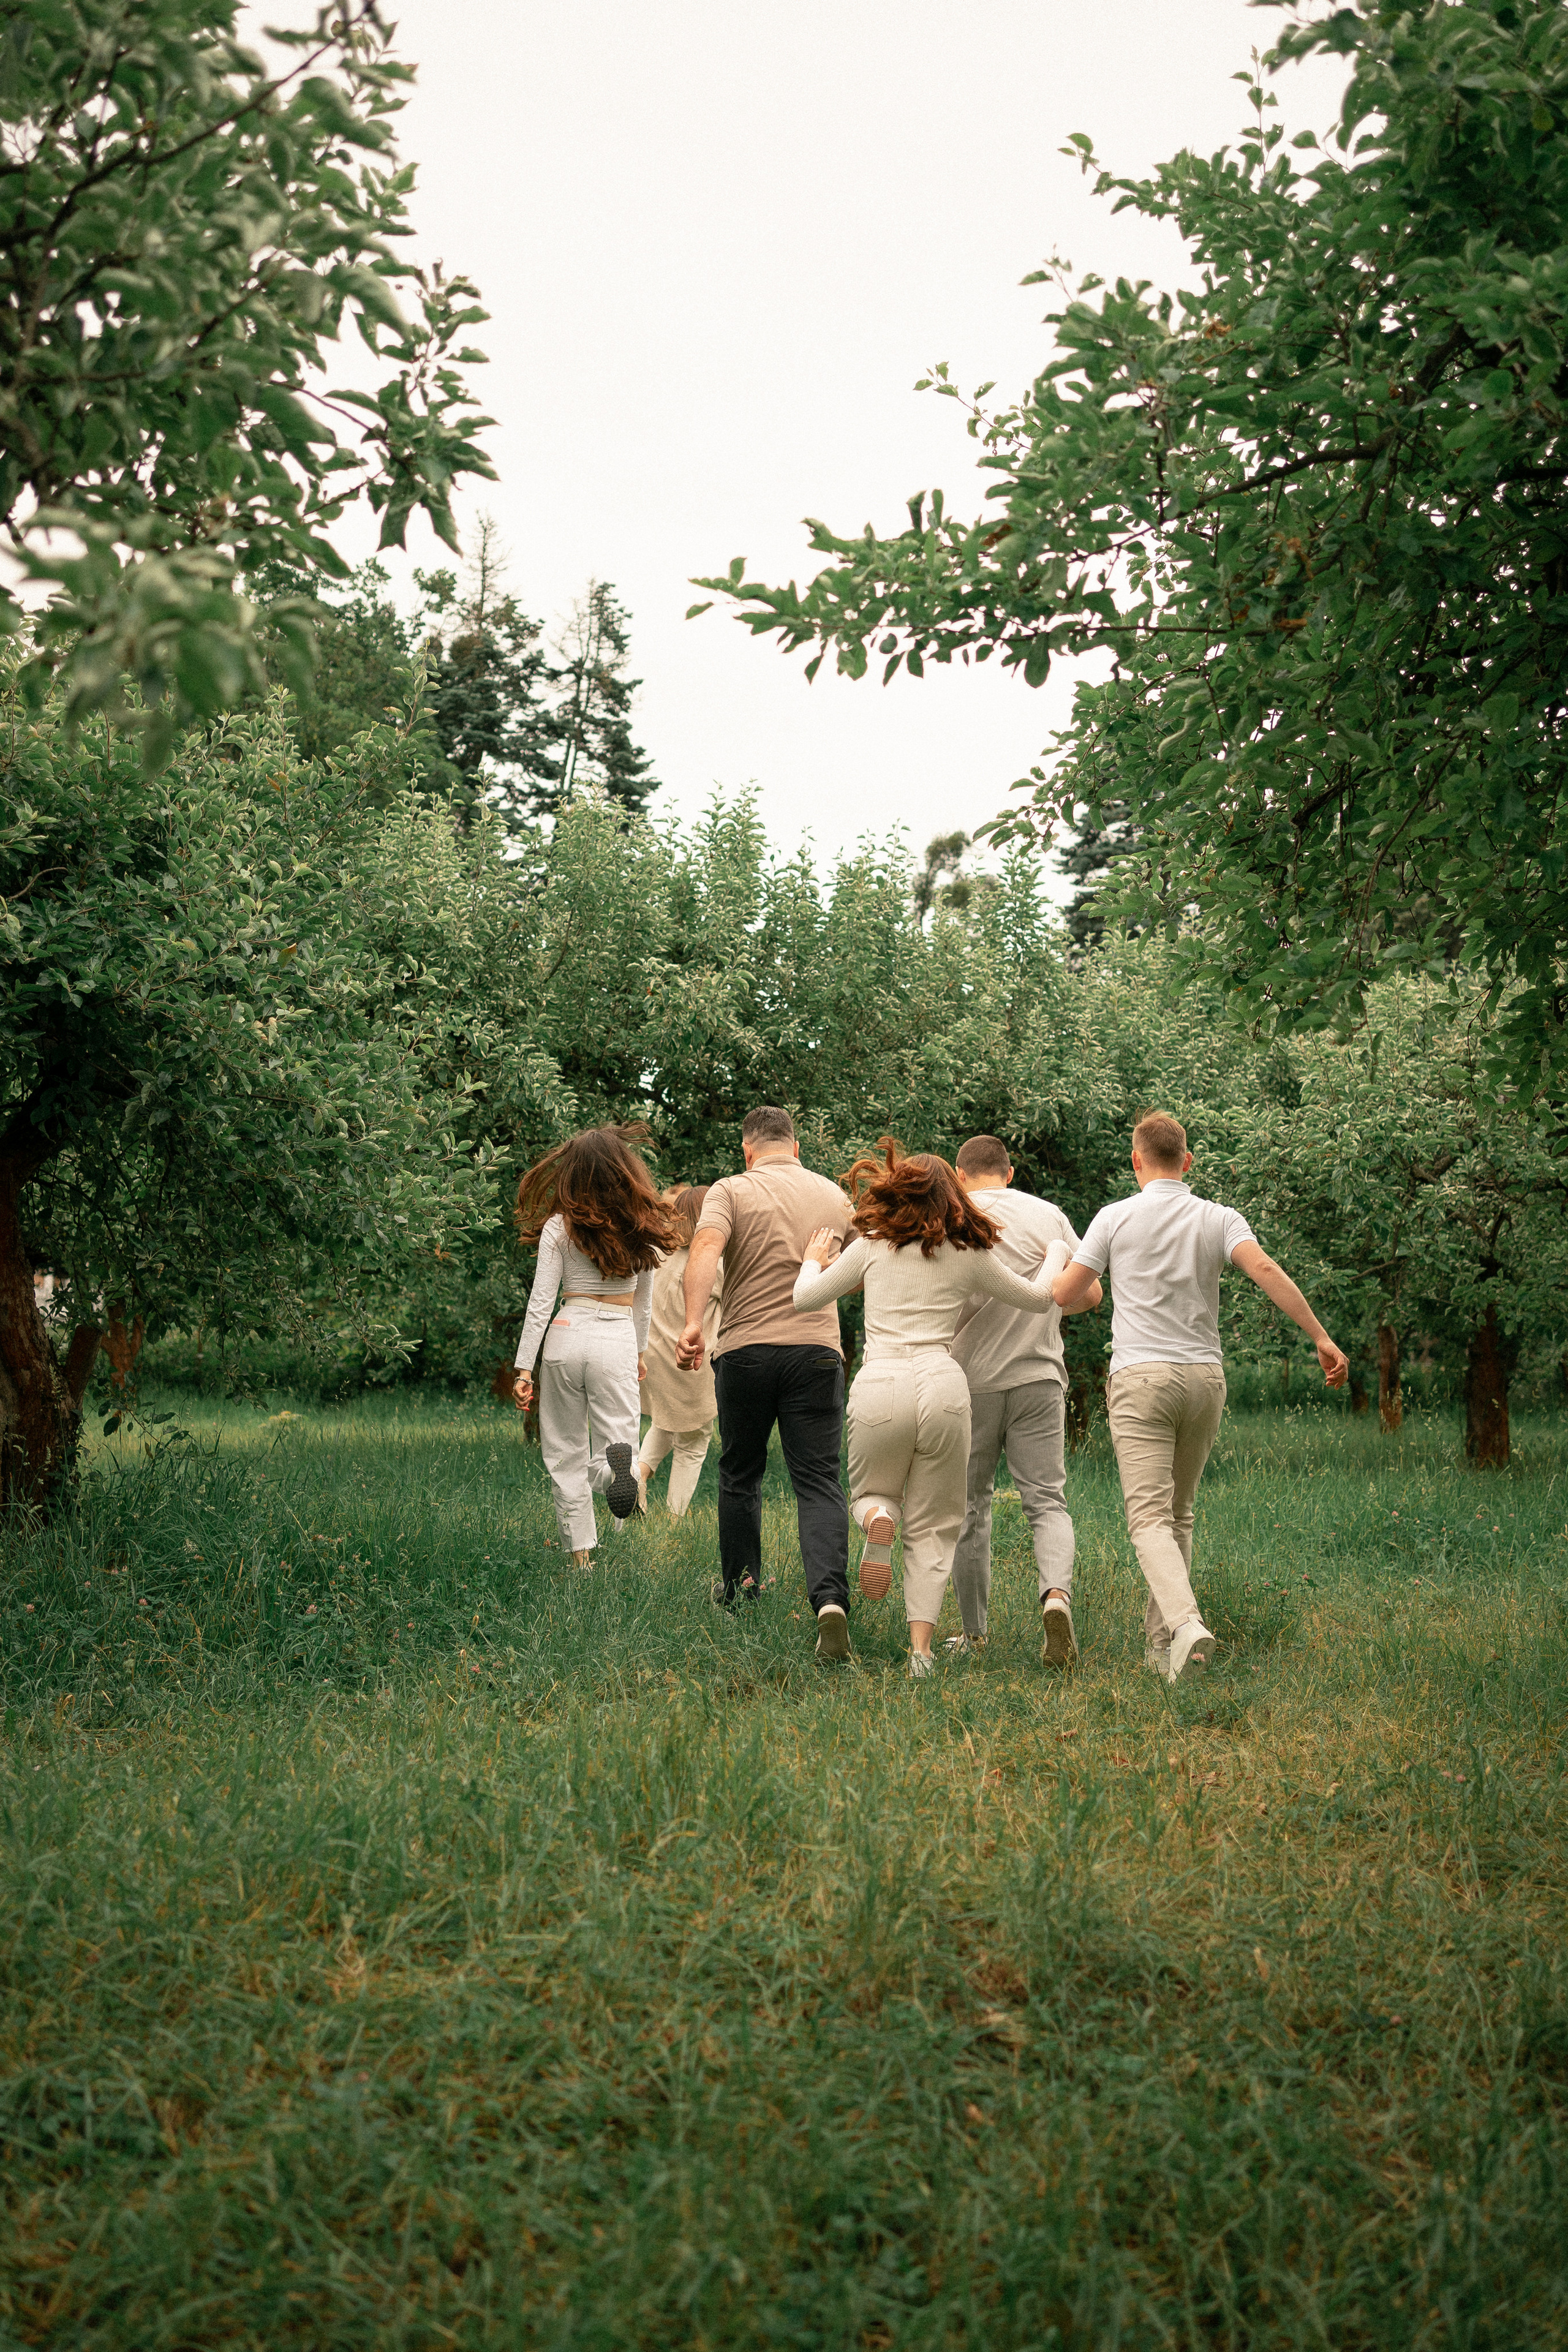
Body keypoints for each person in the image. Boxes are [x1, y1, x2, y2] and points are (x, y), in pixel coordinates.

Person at [1054, 1111, 1349, 1681]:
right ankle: (1163, 1648)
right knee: (1178, 1515)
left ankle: (1186, 1623)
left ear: (1136, 1161)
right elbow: (1262, 1267)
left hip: (1142, 1379)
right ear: (1188, 1163)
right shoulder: (1218, 1217)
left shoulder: (1114, 1218)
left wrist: (1044, 1273)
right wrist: (1320, 1336)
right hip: (1204, 1381)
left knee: (1147, 1520)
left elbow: (1067, 1293)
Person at [793, 1139, 1066, 1678]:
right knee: (939, 1524)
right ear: (953, 1197)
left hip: (882, 1381)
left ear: (898, 1191)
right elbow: (1040, 1298)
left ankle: (877, 1518)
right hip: (945, 1386)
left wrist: (811, 1260)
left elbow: (806, 1299)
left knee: (873, 1492)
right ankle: (921, 1653)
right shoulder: (968, 1252)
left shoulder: (872, 1244)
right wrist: (1056, 1250)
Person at [677, 1106, 855, 1659]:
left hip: (746, 1352)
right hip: (817, 1354)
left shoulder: (730, 1190)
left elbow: (705, 1249)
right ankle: (830, 1602)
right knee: (820, 1480)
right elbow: (857, 1272)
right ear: (796, 1147)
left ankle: (740, 1590)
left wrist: (691, 1323)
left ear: (748, 1150)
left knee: (740, 1473)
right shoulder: (834, 1196)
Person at [948, 1134, 1102, 1669]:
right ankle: (1056, 1598)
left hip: (970, 1382)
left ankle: (973, 1635)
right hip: (1039, 1375)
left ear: (960, 1174)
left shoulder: (952, 1213)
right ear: (1009, 1173)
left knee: (970, 1509)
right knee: (1047, 1501)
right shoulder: (1049, 1214)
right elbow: (1089, 1294)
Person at [511, 1126, 678, 1567]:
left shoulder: (557, 1227)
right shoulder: (641, 1226)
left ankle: (581, 1560)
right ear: (624, 1171)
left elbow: (540, 1303)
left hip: (565, 1333)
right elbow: (644, 1305)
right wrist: (639, 1352)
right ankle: (614, 1473)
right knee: (616, 1440)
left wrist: (524, 1369)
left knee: (565, 1453)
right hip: (616, 1335)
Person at [637, 1185, 723, 1517]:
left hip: (657, 1358)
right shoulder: (713, 1266)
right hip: (691, 1363)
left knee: (667, 1421)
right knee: (695, 1439)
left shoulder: (658, 1257)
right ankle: (674, 1518)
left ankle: (638, 1477)